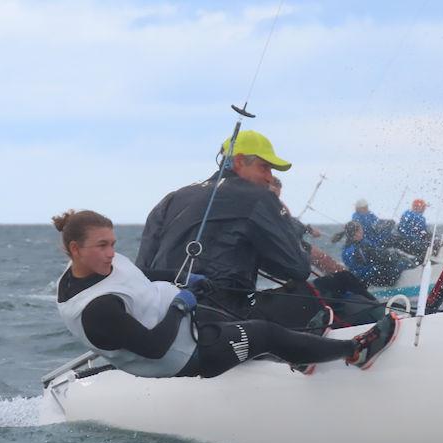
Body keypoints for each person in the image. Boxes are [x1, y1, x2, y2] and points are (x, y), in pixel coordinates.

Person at [54, 209, 400, 378]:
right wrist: (179, 303)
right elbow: (154, 347)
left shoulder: (99, 265)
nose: (112, 252)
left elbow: (139, 275)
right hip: (182, 356)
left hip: (185, 321)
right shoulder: (96, 309)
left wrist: (186, 278)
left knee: (245, 318)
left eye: (113, 243)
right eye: (102, 245)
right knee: (264, 333)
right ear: (75, 249)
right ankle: (355, 351)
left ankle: (297, 352)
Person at [136, 130, 311, 319]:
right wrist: (294, 228)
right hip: (218, 321)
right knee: (317, 294)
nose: (269, 177)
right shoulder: (259, 198)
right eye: (264, 167)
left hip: (157, 316)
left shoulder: (172, 198)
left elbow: (141, 271)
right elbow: (297, 268)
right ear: (239, 161)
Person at [270, 176, 344, 275]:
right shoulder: (271, 204)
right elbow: (287, 225)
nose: (277, 196)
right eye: (275, 192)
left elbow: (290, 221)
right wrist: (308, 230)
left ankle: (340, 279)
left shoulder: (277, 203)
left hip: (292, 242)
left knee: (326, 260)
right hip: (287, 246)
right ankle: (342, 279)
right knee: (323, 259)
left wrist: (308, 229)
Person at [334, 221, 415, 287]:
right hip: (373, 278)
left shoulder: (346, 248)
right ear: (356, 233)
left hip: (361, 278)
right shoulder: (361, 246)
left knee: (394, 258)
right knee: (402, 262)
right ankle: (413, 281)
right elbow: (380, 258)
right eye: (361, 229)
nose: (363, 231)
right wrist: (395, 255)